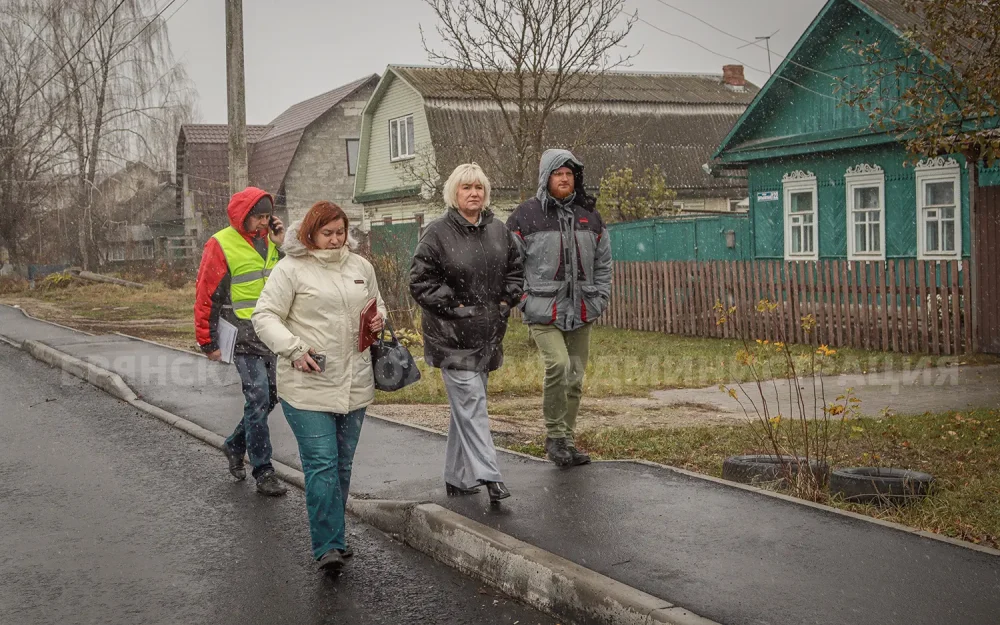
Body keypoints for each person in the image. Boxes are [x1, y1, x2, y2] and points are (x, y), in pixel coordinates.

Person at [252, 201, 386, 573]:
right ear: (310, 233)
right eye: (327, 233)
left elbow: (378, 307)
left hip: (355, 382)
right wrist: (293, 349)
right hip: (307, 383)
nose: (335, 239)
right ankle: (327, 545)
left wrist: (377, 323)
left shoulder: (361, 267)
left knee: (342, 466)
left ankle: (337, 537)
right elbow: (264, 316)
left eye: (340, 232)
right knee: (322, 464)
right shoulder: (290, 269)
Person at [409, 163, 523, 504]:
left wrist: (506, 300)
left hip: (487, 336)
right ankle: (489, 475)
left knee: (468, 408)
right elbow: (420, 281)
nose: (474, 193)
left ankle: (456, 478)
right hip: (451, 337)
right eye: (466, 188)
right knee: (472, 405)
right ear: (453, 193)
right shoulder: (437, 233)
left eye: (479, 187)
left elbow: (516, 270)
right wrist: (455, 305)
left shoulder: (499, 231)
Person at [506, 149, 612, 468]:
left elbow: (603, 262)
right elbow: (509, 263)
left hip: (581, 309)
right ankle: (553, 436)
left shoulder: (589, 215)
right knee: (559, 365)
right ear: (546, 178)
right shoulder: (526, 216)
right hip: (543, 310)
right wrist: (523, 300)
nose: (564, 178)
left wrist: (600, 297)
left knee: (576, 375)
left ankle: (566, 439)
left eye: (569, 173)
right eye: (558, 173)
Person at [194, 186, 288, 496]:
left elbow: (294, 273)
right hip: (243, 336)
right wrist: (207, 341)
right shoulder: (220, 244)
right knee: (258, 397)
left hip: (273, 333)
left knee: (273, 394)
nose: (264, 223)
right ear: (243, 216)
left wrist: (281, 243)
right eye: (258, 218)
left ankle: (235, 445)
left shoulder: (271, 241)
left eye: (267, 216)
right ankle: (263, 471)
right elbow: (206, 294)